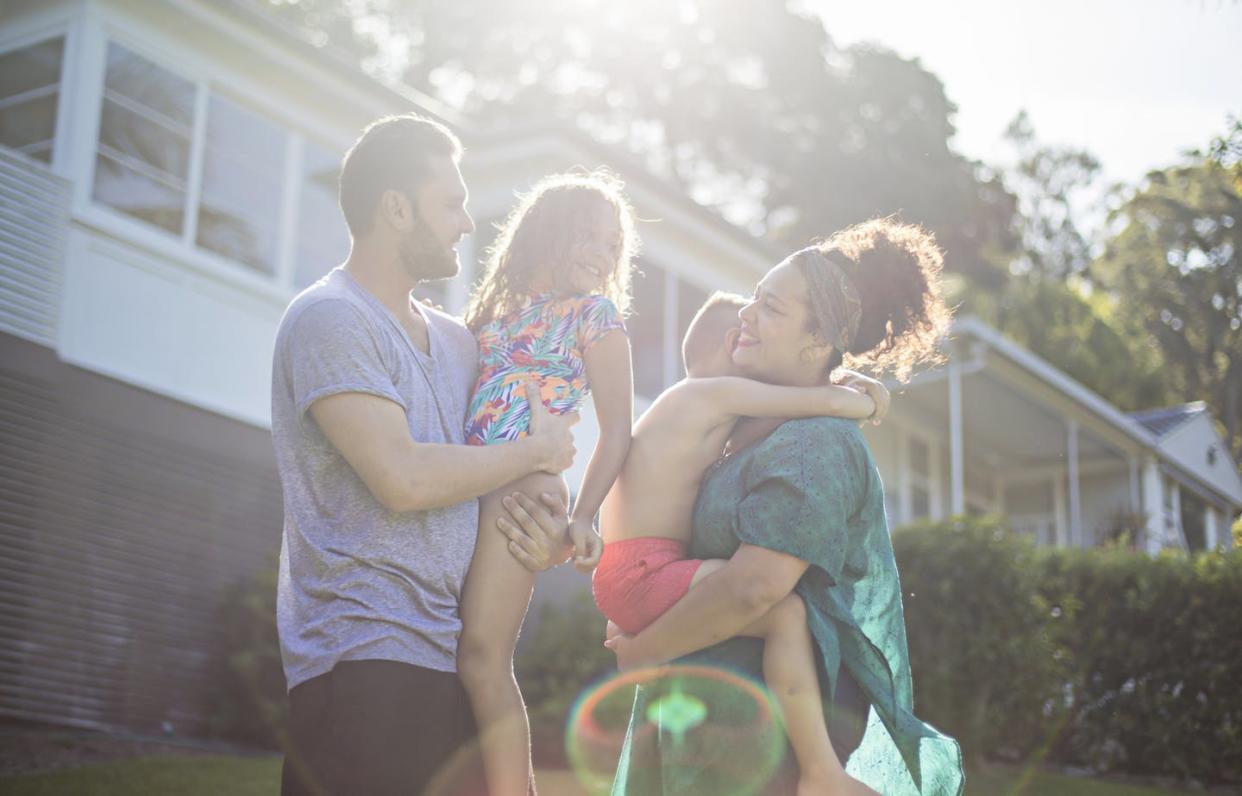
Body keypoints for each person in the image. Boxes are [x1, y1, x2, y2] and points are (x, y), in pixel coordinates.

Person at [270, 114, 578, 796]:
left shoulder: (460, 344)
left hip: (452, 660)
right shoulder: (331, 319)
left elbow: (502, 472)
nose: (467, 223)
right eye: (452, 204)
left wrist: (549, 525)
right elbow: (403, 478)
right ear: (396, 208)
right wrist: (538, 450)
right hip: (364, 661)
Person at [605, 219, 966, 795]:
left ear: (817, 340)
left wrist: (643, 651)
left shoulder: (813, 444)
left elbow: (754, 587)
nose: (745, 314)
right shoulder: (747, 425)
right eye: (754, 297)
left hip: (760, 748)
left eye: (770, 308)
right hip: (702, 732)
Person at [592, 290, 889, 795]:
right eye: (752, 330)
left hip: (629, 568)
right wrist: (871, 398)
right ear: (735, 344)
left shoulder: (688, 411)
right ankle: (820, 772)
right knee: (787, 614)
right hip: (646, 569)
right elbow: (818, 404)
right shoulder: (713, 395)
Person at [457, 171, 637, 796]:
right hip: (464, 485)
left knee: (483, 657)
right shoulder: (487, 316)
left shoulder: (595, 315)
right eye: (588, 235)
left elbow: (617, 433)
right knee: (448, 651)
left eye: (613, 244)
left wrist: (584, 518)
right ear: (547, 232)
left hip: (524, 493)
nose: (602, 252)